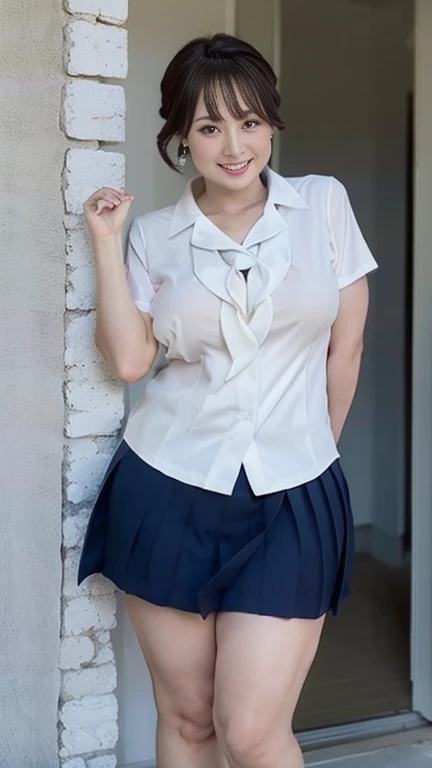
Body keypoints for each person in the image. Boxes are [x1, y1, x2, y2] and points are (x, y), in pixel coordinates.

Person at [78, 32, 378, 768]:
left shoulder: (323, 206)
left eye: (249, 121)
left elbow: (346, 349)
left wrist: (316, 453)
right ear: (181, 137)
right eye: (209, 126)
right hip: (169, 487)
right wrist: (107, 247)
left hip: (294, 496)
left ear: (273, 122)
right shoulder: (154, 236)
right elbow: (128, 360)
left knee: (248, 730)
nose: (234, 144)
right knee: (187, 719)